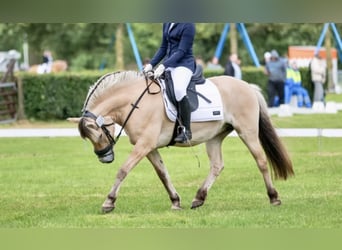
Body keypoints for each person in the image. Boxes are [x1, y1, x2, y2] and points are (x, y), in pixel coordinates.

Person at [143, 23, 196, 143]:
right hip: (169, 64)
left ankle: (186, 130)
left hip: (184, 65)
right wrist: (151, 64)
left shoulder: (188, 25)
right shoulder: (167, 23)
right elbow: (163, 48)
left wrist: (163, 65)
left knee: (179, 90)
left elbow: (182, 51)